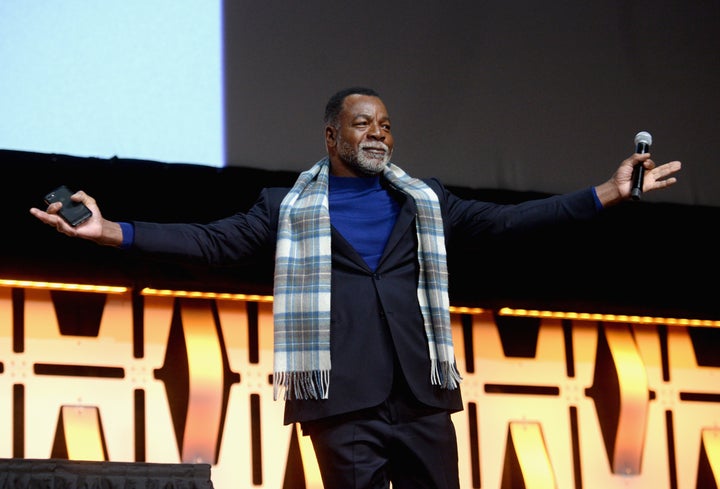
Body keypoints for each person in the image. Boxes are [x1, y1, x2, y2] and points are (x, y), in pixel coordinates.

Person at [30, 87, 681, 489]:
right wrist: (115, 231)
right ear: (332, 135)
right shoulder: (286, 205)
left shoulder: (423, 203)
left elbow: (507, 223)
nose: (379, 134)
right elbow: (213, 241)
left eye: (387, 125)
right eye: (364, 123)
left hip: (423, 399)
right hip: (342, 405)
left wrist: (608, 193)